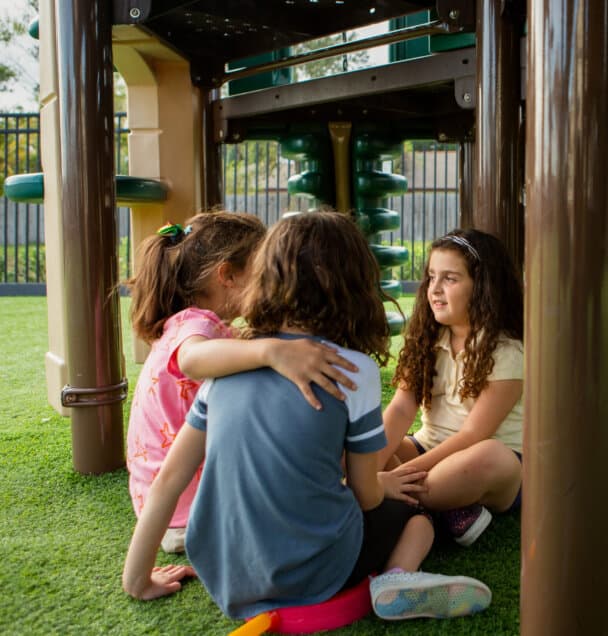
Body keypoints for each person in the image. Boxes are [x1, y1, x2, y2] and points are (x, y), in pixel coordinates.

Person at [122, 211, 492, 622]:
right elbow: (366, 496)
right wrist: (384, 485)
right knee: (418, 519)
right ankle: (395, 580)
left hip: (224, 576)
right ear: (355, 284)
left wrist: (137, 579)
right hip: (317, 573)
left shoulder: (224, 369)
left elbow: (168, 483)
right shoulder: (354, 369)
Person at [125, 211, 358, 554]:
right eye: (262, 271)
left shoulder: (195, 324)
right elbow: (192, 359)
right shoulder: (195, 326)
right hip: (196, 514)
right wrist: (272, 351)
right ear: (228, 276)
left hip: (166, 511)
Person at [378, 228, 524, 546]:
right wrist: (375, 468)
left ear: (483, 288)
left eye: (450, 279)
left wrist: (395, 478)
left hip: (488, 462)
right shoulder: (427, 340)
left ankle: (418, 505)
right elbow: (402, 408)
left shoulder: (507, 350)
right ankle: (442, 511)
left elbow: (473, 435)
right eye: (432, 277)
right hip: (427, 448)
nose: (435, 290)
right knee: (358, 445)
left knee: (488, 456)